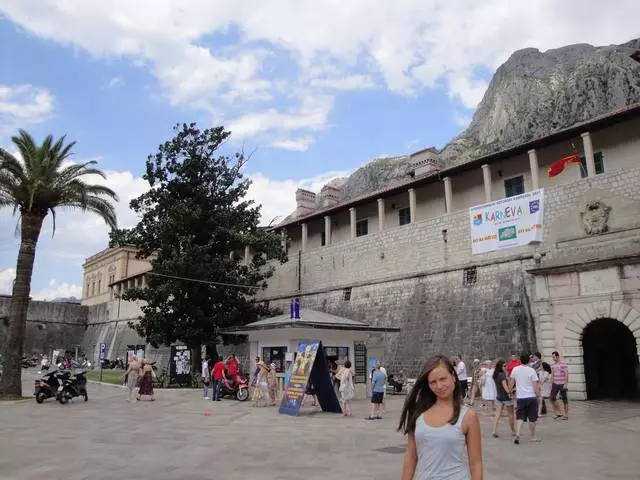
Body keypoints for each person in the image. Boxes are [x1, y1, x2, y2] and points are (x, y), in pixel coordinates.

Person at [398, 355, 483, 480]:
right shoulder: (418, 413)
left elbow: (476, 464)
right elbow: (411, 456)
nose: (439, 386)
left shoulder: (468, 416)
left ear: (453, 377)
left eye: (443, 379)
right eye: (433, 382)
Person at [509, 353, 540, 444]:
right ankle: (533, 437)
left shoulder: (515, 369)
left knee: (520, 417)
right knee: (532, 418)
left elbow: (511, 382)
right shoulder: (531, 371)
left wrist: (510, 391)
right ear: (529, 361)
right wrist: (537, 395)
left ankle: (518, 434)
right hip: (531, 397)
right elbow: (535, 385)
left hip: (521, 397)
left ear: (520, 360)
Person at [491, 359, 515, 438]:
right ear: (500, 367)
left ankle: (494, 430)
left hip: (499, 397)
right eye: (504, 366)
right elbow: (505, 386)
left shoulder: (495, 375)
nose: (506, 367)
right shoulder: (502, 375)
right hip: (506, 397)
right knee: (511, 415)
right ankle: (513, 431)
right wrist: (509, 393)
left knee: (497, 414)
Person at [550, 351, 569, 420]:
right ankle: (559, 413)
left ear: (558, 357)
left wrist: (565, 384)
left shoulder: (563, 364)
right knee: (552, 397)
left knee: (564, 399)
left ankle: (566, 415)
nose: (553, 358)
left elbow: (566, 375)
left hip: (562, 384)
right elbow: (552, 375)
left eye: (554, 357)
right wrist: (551, 383)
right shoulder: (552, 365)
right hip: (555, 384)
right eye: (552, 357)